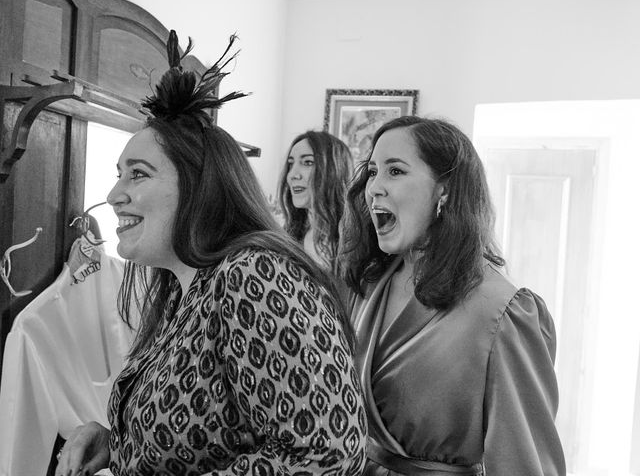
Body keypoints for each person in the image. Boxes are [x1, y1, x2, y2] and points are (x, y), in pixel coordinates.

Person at [55, 32, 367, 476]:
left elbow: (325, 455)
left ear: (199, 189)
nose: (114, 194)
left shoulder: (254, 275)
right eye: (118, 174)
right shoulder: (187, 287)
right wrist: (119, 442)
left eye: (138, 175)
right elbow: (207, 433)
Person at [339, 115, 565, 475]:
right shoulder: (366, 285)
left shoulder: (504, 312)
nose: (374, 188)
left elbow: (525, 462)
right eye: (371, 172)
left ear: (444, 190)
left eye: (395, 171)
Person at [278, 131, 353, 271]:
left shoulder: (355, 241)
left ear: (334, 170)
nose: (292, 175)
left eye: (307, 162)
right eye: (290, 164)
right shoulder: (289, 236)